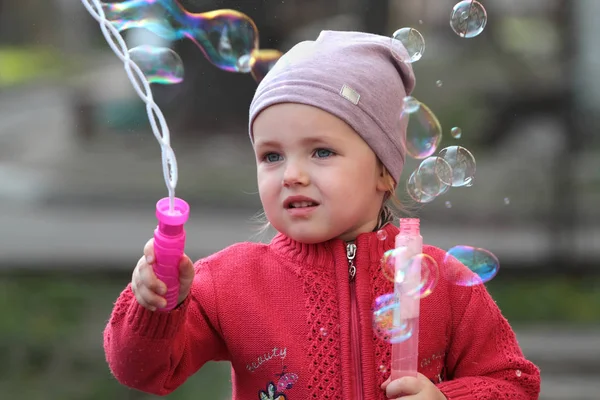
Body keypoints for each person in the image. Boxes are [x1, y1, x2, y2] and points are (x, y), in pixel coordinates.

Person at [103, 30, 541, 399]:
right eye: (272, 156)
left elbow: (515, 383)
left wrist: (446, 398)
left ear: (384, 172)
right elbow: (142, 371)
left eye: (321, 151)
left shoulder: (445, 284)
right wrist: (157, 306)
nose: (292, 174)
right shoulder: (230, 282)